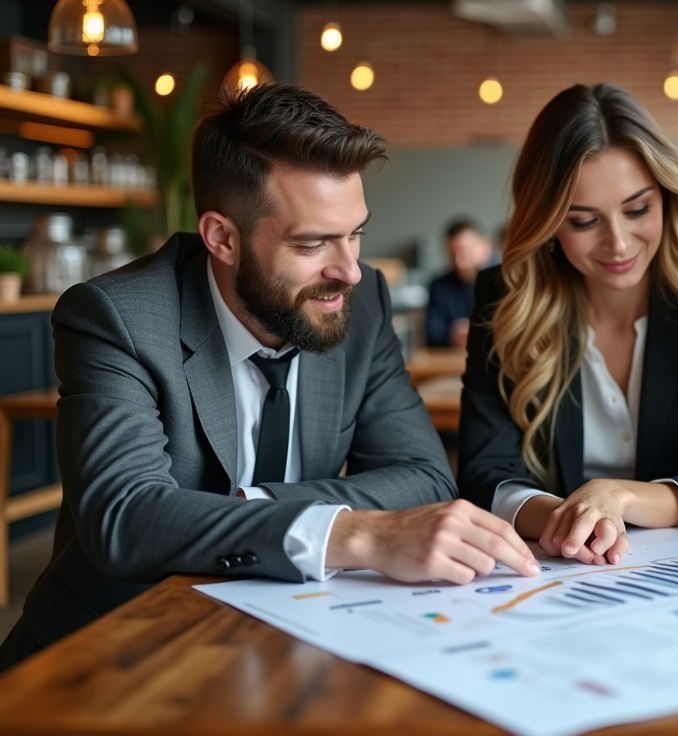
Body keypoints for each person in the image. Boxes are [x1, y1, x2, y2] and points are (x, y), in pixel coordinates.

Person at [0, 83, 537, 670]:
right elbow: (126, 517)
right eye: (313, 244)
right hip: (111, 654)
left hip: (281, 641)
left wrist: (253, 506)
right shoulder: (118, 317)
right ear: (222, 237)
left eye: (355, 233)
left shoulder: (360, 305)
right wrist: (353, 534)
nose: (351, 270)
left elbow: (425, 478)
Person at [457, 83, 678, 565]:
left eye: (638, 209)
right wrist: (573, 519)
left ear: (667, 196)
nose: (617, 243)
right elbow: (485, 471)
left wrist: (616, 498)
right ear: (549, 223)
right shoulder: (505, 297)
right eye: (583, 221)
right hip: (560, 566)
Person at [425, 218, 494, 348]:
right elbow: (432, 335)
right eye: (452, 255)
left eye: (465, 252)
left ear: (485, 246)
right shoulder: (439, 286)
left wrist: (478, 333)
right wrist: (453, 337)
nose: (459, 263)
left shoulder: (508, 280)